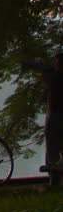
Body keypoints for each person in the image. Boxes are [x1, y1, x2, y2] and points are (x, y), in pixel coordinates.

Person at [44, 53, 63, 185]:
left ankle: (54, 179)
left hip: (56, 117)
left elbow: (52, 102)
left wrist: (48, 119)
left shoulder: (55, 80)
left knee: (52, 150)